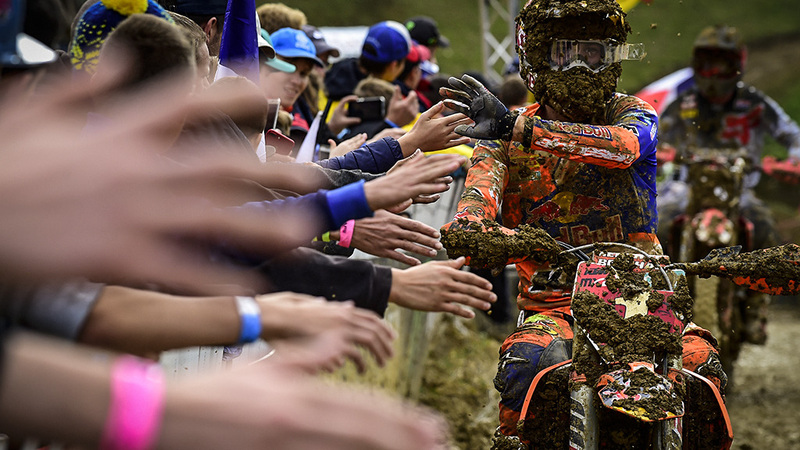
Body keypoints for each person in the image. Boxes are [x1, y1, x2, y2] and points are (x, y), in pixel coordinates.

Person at [438, 0, 727, 446]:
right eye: (564, 52)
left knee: (701, 364)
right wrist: (475, 230)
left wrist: (521, 127)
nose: (579, 66)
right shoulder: (500, 143)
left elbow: (626, 148)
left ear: (611, 58)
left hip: (644, 298)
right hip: (555, 303)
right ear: (536, 59)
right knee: (525, 363)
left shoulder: (628, 114)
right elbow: (475, 203)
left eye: (591, 53)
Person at [656, 25, 800, 345]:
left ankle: (757, 308)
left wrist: (793, 160)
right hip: (689, 187)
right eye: (708, 64)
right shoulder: (684, 102)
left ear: (736, 65)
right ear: (697, 65)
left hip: (739, 190)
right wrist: (661, 153)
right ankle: (659, 301)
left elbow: (793, 135)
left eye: (722, 64)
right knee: (661, 221)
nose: (714, 73)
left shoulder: (755, 103)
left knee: (763, 227)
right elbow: (657, 137)